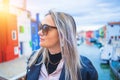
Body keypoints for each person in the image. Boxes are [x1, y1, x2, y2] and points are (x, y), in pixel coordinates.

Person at [26, 10, 98, 80]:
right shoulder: (33, 59)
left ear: (63, 33)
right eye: (40, 27)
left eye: (45, 28)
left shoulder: (85, 69)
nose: (39, 32)